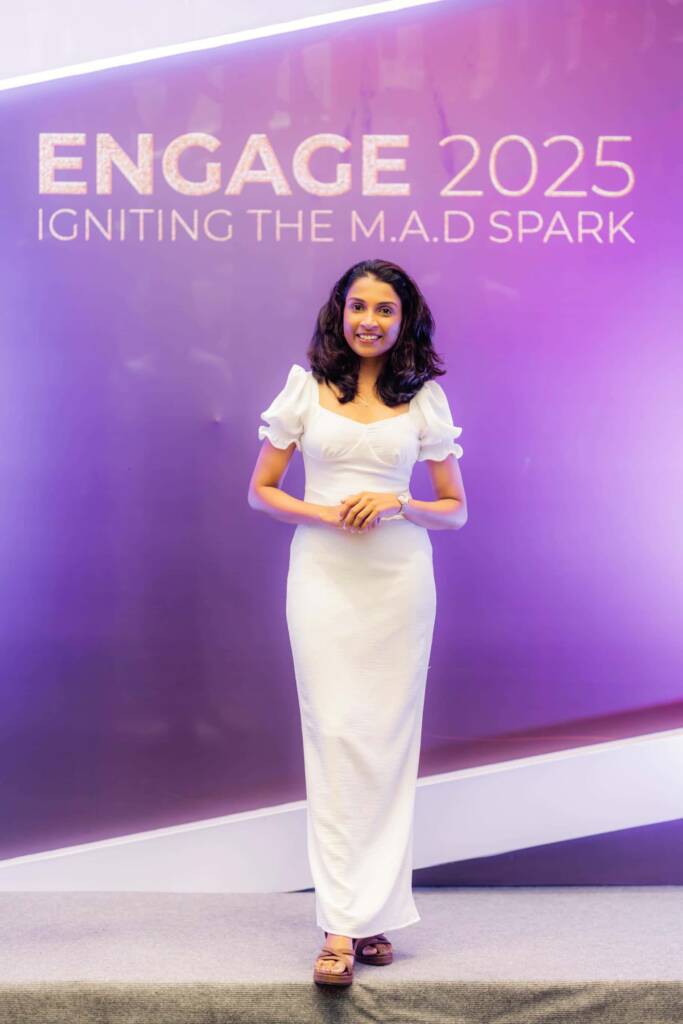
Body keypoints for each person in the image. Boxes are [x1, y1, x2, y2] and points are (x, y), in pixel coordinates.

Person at [248, 258, 467, 986]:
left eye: (384, 310)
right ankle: (342, 922)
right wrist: (327, 513)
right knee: (336, 735)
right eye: (358, 307)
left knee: (387, 743)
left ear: (405, 321)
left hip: (399, 583)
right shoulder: (305, 388)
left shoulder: (423, 398)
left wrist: (399, 502)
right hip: (323, 578)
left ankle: (369, 916)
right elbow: (261, 490)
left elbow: (454, 510)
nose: (369, 320)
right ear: (339, 313)